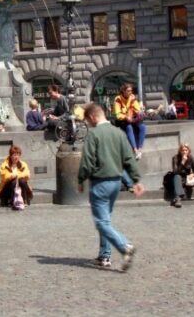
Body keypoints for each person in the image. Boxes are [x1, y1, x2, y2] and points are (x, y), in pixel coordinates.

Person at [78, 103, 143, 271]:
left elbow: (87, 161)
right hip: (116, 182)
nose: (88, 124)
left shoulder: (94, 135)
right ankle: (104, 256)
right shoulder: (119, 133)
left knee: (101, 222)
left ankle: (125, 247)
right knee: (106, 220)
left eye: (88, 120)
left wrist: (80, 179)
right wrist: (136, 180)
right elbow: (129, 158)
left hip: (100, 183)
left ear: (93, 117)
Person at [0, 145, 33, 209]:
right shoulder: (5, 164)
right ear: (10, 156)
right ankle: (11, 200)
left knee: (22, 181)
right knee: (13, 182)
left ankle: (24, 199)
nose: (16, 157)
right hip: (8, 186)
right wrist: (10, 176)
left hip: (19, 185)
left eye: (18, 155)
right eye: (14, 155)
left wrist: (18, 176)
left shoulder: (23, 164)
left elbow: (27, 174)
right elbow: (3, 175)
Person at [113, 83, 146, 160]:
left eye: (131, 91)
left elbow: (137, 109)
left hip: (132, 119)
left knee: (142, 127)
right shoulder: (118, 99)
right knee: (129, 127)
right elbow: (118, 115)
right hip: (122, 121)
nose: (130, 92)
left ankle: (140, 149)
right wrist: (126, 117)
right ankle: (135, 150)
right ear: (123, 91)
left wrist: (140, 113)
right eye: (128, 91)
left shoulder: (132, 97)